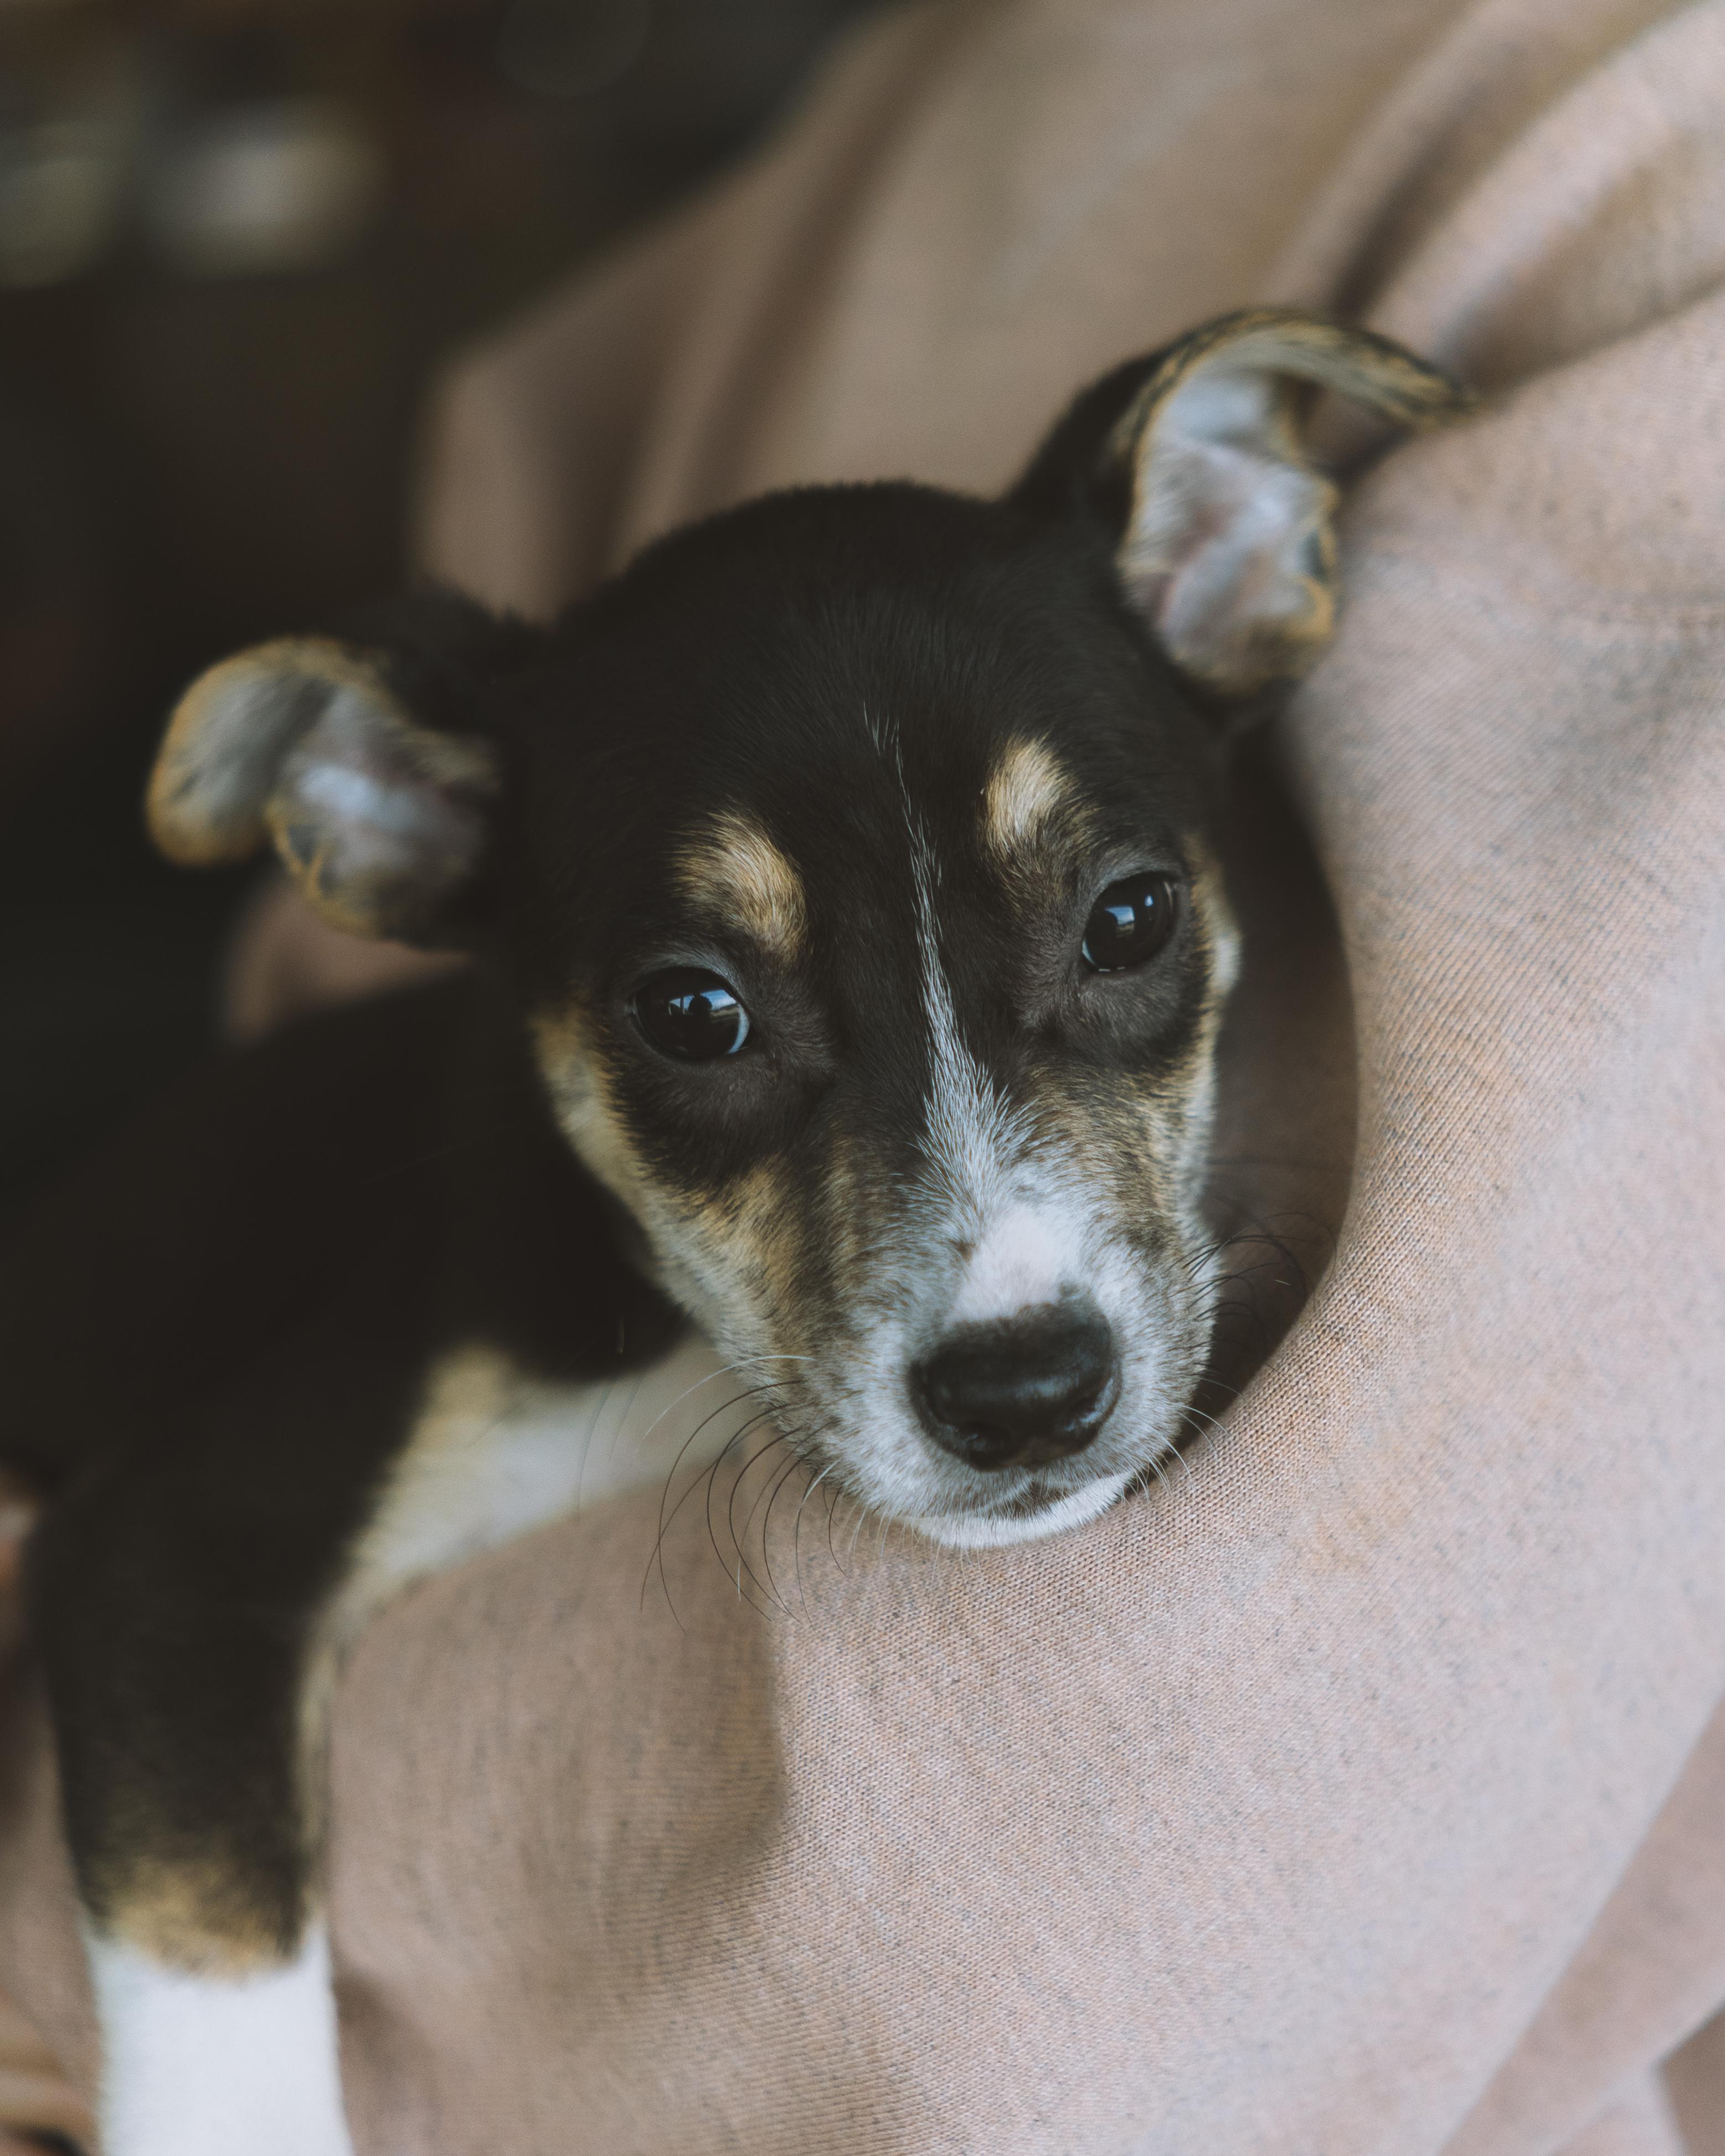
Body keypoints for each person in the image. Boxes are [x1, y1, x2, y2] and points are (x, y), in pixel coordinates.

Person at [3, 0, 1724, 2147]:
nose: (1004, 1281)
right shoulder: (512, 1321)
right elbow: (152, 1578)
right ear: (399, 830)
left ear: (1231, 563)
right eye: (707, 1020)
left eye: (1110, 935)